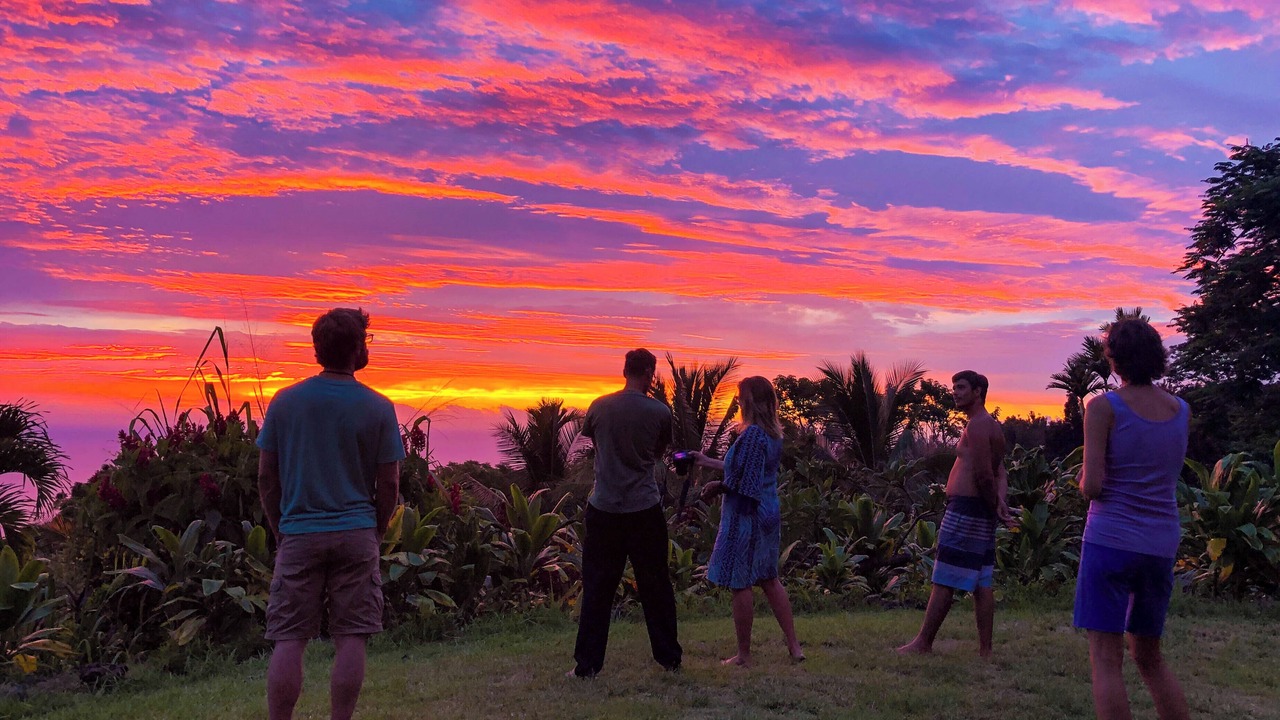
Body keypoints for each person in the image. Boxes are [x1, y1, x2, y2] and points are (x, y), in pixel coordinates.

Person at [256, 308, 405, 720]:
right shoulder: (378, 407)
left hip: (299, 533)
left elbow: (266, 477)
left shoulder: (285, 402)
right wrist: (373, 532)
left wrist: (280, 527)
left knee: (290, 638)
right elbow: (389, 483)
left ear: (317, 348)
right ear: (357, 348)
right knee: (351, 636)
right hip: (356, 531)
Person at [1074, 318, 1190, 720]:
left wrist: (1081, 479)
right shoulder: (1181, 410)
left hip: (1111, 541)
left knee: (1106, 660)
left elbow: (1092, 487)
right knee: (1150, 657)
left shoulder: (1103, 407)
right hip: (1160, 544)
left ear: (1114, 359)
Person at [570, 348, 682, 677]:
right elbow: (657, 453)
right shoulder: (659, 412)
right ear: (649, 373)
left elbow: (596, 444)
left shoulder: (599, 407)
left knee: (597, 587)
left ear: (624, 371)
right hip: (644, 508)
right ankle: (669, 658)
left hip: (603, 507)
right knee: (656, 585)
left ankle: (587, 665)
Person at [898, 370, 1014, 658]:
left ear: (978, 392)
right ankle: (985, 650)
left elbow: (986, 475)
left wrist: (993, 503)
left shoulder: (978, 427)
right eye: (954, 387)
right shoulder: (991, 427)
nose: (955, 392)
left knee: (944, 577)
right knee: (981, 580)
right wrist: (999, 504)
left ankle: (923, 643)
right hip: (980, 511)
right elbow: (1001, 473)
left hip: (967, 511)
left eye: (961, 387)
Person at [690, 375, 803, 667]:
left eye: (741, 396)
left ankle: (744, 654)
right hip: (768, 510)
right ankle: (794, 646)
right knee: (769, 578)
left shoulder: (752, 435)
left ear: (749, 400)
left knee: (741, 582)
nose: (738, 401)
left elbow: (744, 484)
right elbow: (743, 469)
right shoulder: (772, 435)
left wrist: (717, 487)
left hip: (747, 514)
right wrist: (705, 461)